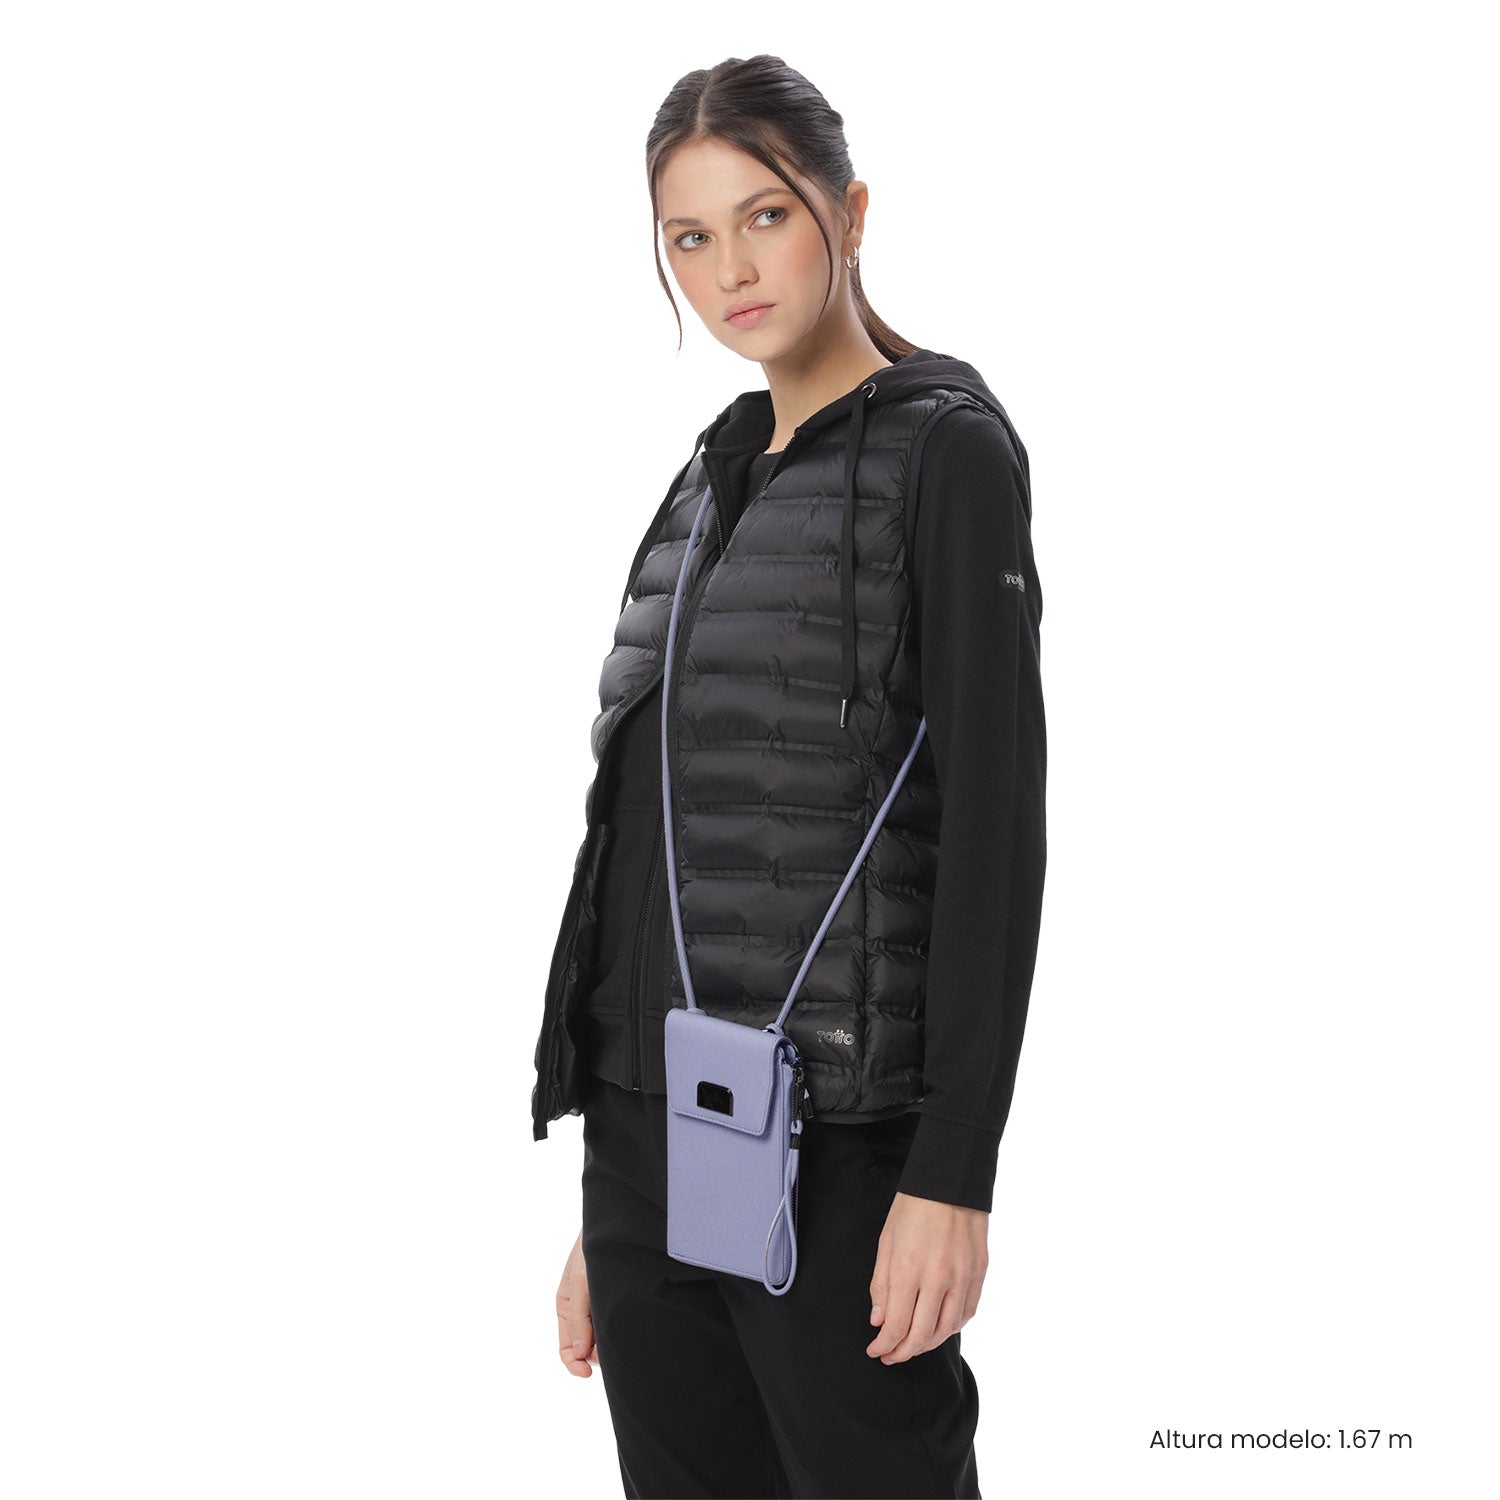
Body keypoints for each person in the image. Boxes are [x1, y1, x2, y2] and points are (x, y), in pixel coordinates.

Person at [530, 53, 1047, 1499]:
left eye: (765, 216)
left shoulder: (947, 455)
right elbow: (654, 842)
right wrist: (625, 1197)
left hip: (849, 1146)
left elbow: (997, 828)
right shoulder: (705, 480)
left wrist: (952, 1170)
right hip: (664, 1139)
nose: (731, 271)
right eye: (690, 237)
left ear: (850, 212)